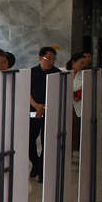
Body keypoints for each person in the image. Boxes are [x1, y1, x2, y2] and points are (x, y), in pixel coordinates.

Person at [29, 46, 61, 182]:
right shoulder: (31, 72)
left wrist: (45, 107)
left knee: (46, 142)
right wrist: (37, 106)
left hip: (50, 112)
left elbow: (58, 94)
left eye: (54, 59)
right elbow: (26, 91)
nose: (51, 62)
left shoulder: (57, 74)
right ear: (40, 58)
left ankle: (42, 170)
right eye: (49, 59)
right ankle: (36, 163)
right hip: (33, 112)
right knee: (29, 140)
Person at [68, 52, 89, 151]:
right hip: (66, 104)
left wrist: (80, 94)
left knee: (76, 129)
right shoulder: (63, 71)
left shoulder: (84, 74)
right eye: (81, 63)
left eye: (84, 63)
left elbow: (88, 89)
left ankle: (76, 149)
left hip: (78, 105)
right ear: (73, 62)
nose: (83, 65)